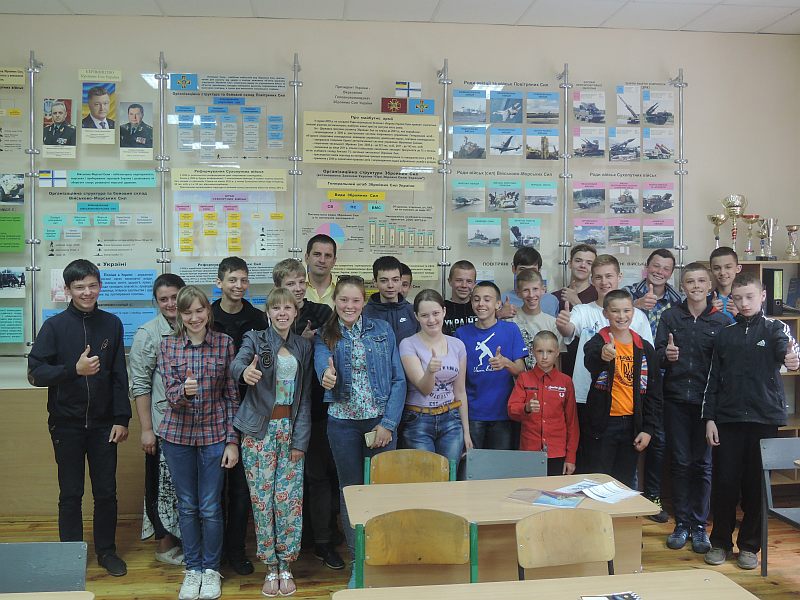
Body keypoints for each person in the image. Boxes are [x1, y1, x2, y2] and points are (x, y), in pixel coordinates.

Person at [27, 259, 130, 577]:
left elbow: (119, 375)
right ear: (68, 289)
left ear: (100, 286)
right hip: (66, 424)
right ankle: (70, 555)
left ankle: (106, 551)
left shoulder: (112, 324)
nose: (87, 292)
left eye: (92, 285)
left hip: (104, 425)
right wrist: (73, 370)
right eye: (80, 287)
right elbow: (35, 373)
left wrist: (122, 418)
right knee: (71, 493)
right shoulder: (54, 327)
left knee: (106, 492)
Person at [702, 271, 800, 570]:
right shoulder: (725, 334)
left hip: (763, 419)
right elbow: (713, 379)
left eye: (750, 297)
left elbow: (788, 351)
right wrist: (709, 418)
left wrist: (792, 359)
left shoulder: (775, 328)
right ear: (731, 299)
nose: (744, 303)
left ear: (763, 296)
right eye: (738, 298)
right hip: (728, 420)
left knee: (756, 485)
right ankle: (720, 542)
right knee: (725, 483)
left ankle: (749, 546)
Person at [314, 275, 406, 588]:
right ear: (335, 301)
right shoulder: (325, 334)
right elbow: (321, 363)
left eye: (355, 300)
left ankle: (381, 559)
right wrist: (326, 375)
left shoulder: (382, 330)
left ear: (364, 302)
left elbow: (398, 380)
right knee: (350, 492)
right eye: (343, 300)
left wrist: (388, 424)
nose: (349, 306)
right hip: (342, 425)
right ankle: (358, 564)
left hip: (378, 422)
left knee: (381, 492)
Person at [158, 285, 240, 600]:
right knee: (188, 505)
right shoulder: (168, 345)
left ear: (208, 311)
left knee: (210, 505)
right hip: (177, 436)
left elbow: (231, 396)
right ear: (179, 315)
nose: (194, 317)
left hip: (215, 435)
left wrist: (232, 441)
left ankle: (210, 569)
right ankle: (192, 569)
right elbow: (170, 394)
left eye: (199, 310)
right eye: (188, 312)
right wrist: (184, 392)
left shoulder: (224, 343)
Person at [230, 287, 313, 597]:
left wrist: (300, 440)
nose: (282, 313)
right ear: (268, 312)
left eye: (287, 307)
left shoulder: (303, 345)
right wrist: (245, 373)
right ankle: (270, 566)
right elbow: (237, 365)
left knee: (288, 500)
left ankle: (287, 563)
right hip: (258, 432)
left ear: (295, 312)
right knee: (262, 500)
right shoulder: (255, 339)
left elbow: (305, 397)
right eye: (276, 307)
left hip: (290, 428)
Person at [272, 258, 344, 571]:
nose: (299, 288)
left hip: (318, 409)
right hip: (281, 413)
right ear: (278, 289)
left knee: (320, 476)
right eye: (291, 283)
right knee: (287, 483)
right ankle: (290, 543)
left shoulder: (322, 313)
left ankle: (323, 541)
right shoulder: (272, 320)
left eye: (302, 281)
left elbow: (334, 349)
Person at [654, 263, 730, 554]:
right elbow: (656, 355)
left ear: (709, 286)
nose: (696, 286)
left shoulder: (721, 322)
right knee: (680, 463)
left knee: (703, 465)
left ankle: (700, 526)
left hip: (707, 405)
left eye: (701, 281)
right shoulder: (670, 316)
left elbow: (726, 367)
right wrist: (666, 355)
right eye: (689, 281)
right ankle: (682, 523)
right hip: (675, 400)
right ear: (682, 286)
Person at [556, 254, 653, 473]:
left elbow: (648, 362)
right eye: (598, 277)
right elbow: (569, 329)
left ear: (619, 277)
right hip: (586, 397)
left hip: (627, 402)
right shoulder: (582, 310)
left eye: (609, 276)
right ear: (592, 280)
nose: (604, 282)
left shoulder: (637, 316)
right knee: (591, 463)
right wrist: (563, 325)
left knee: (624, 469)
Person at [211, 256, 268, 576]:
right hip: (213, 410)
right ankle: (215, 551)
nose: (239, 286)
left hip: (249, 410)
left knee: (241, 489)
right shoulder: (208, 316)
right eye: (232, 280)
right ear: (219, 282)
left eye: (244, 280)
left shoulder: (258, 319)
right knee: (214, 486)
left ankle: (236, 549)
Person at [129, 273, 186, 566]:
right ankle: (164, 545)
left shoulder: (195, 323)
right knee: (161, 486)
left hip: (194, 426)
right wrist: (147, 430)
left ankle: (186, 542)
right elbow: (140, 385)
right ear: (156, 302)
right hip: (163, 425)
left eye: (175, 297)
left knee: (183, 488)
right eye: (163, 299)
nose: (170, 303)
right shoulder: (148, 333)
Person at [623, 248, 682, 523]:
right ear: (647, 267)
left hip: (662, 379)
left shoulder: (677, 300)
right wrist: (636, 306)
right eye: (655, 266)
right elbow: (614, 315)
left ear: (671, 273)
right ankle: (625, 498)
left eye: (666, 268)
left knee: (658, 440)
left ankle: (653, 497)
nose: (660, 271)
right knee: (627, 438)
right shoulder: (628, 293)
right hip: (628, 377)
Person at [583, 290, 662, 488]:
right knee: (598, 481)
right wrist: (603, 355)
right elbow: (590, 360)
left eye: (626, 310)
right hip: (603, 425)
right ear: (605, 313)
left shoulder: (644, 348)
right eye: (615, 311)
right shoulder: (598, 342)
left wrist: (648, 429)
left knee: (624, 483)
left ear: (633, 312)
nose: (621, 316)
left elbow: (654, 393)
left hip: (632, 425)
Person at [399, 289, 472, 462]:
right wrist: (430, 371)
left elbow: (460, 391)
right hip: (419, 420)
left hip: (451, 418)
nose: (431, 320)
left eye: (436, 313)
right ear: (416, 316)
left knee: (450, 473)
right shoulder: (408, 344)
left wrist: (466, 433)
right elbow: (424, 389)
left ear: (444, 312)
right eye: (424, 315)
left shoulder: (457, 345)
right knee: (426, 475)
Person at [454, 281, 527, 450]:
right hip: (472, 414)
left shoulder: (511, 329)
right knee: (472, 463)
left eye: (487, 299)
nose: (481, 304)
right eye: (476, 299)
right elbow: (457, 380)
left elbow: (521, 371)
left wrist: (506, 363)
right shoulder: (461, 334)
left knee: (499, 464)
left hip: (504, 414)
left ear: (497, 304)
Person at [508, 331, 578, 476]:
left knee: (555, 489)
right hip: (530, 450)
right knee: (530, 488)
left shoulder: (565, 381)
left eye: (550, 351)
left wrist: (571, 457)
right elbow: (511, 410)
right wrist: (526, 408)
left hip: (557, 451)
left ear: (557, 352)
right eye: (540, 351)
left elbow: (572, 422)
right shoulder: (524, 379)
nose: (545, 356)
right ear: (533, 352)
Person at [553, 244, 598, 376]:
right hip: (561, 362)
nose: (583, 265)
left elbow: (599, 328)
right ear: (570, 263)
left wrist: (576, 302)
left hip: (590, 361)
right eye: (578, 261)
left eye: (589, 263)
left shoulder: (599, 295)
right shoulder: (555, 297)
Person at [511, 269, 565, 370]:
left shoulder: (553, 324)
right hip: (517, 378)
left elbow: (557, 365)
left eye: (535, 289)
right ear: (518, 293)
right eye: (526, 290)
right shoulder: (510, 320)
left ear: (543, 290)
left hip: (545, 379)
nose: (531, 295)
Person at [362, 255, 419, 345]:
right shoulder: (364, 314)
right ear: (375, 282)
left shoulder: (413, 313)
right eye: (384, 280)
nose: (390, 285)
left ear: (400, 281)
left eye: (395, 280)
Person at [498, 246, 559, 318]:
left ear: (539, 271)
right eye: (522, 269)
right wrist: (499, 314)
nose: (527, 274)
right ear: (514, 269)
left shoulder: (551, 301)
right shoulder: (503, 299)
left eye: (533, 270)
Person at [442, 260, 477, 336]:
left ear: (474, 284)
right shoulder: (440, 310)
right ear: (450, 281)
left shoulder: (480, 308)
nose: (464, 285)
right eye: (459, 280)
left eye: (469, 281)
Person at [709, 246, 741, 321]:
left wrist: (741, 315)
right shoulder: (705, 300)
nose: (722, 273)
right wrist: (710, 313)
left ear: (738, 269)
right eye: (717, 268)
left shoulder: (747, 299)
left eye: (728, 267)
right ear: (711, 271)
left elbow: (758, 326)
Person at [305, 234, 337, 308]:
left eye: (328, 256)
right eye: (317, 254)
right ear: (307, 258)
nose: (322, 260)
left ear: (334, 261)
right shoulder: (295, 289)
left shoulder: (344, 289)